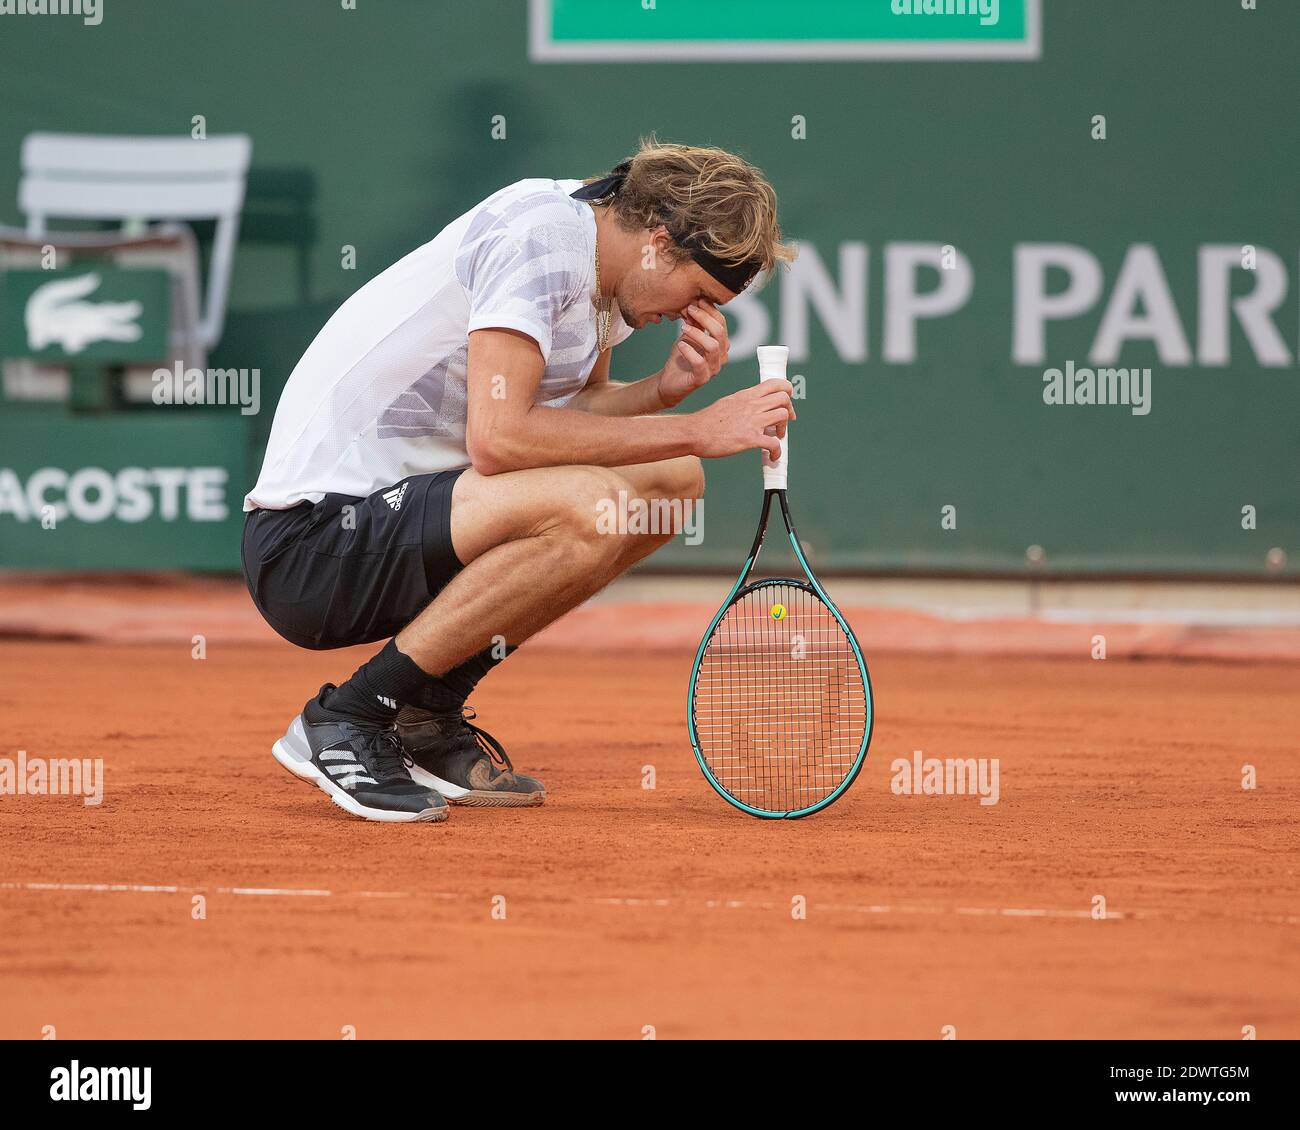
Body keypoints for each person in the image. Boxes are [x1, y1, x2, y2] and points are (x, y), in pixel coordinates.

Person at [241, 137, 798, 822]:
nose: (694, 315)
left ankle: (425, 714)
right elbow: (501, 439)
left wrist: (662, 391)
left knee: (671, 481)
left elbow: (569, 415)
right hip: (313, 547)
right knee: (594, 505)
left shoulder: (603, 269)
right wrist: (699, 428)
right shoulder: (542, 239)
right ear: (659, 244)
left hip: (417, 521)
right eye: (701, 294)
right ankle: (348, 717)